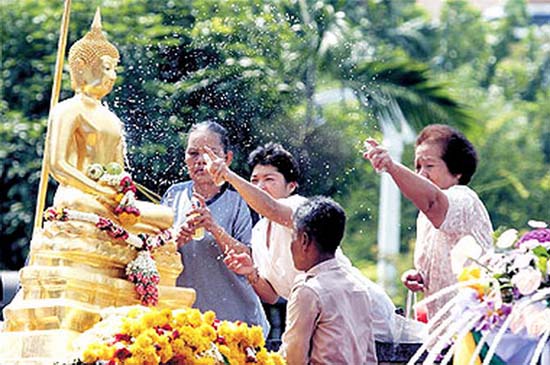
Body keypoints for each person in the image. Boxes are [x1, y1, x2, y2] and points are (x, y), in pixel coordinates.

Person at [206, 142, 398, 342]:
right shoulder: (259, 231)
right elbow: (271, 296)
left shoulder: (299, 207)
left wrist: (228, 175)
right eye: (254, 180)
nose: (260, 186)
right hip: (320, 322)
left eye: (269, 179)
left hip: (359, 310)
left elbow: (271, 208)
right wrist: (251, 274)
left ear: (291, 186)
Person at [363, 124, 493, 318]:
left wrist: (390, 166)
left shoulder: (464, 198)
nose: (421, 174)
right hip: (440, 329)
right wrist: (419, 277)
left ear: (457, 171)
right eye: (418, 166)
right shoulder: (425, 216)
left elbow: (433, 202)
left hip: (474, 325)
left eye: (429, 166)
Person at [161, 121, 269, 335]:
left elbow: (251, 258)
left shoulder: (241, 199)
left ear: (226, 158)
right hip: (187, 325)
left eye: (210, 153)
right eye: (193, 153)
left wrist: (214, 227)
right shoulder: (174, 196)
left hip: (238, 325)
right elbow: (155, 250)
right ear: (185, 158)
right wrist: (177, 238)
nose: (201, 161)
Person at [279, 196, 378, 365]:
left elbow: (293, 358)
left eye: (293, 236)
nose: (291, 245)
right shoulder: (359, 288)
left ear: (304, 240)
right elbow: (370, 357)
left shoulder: (308, 291)